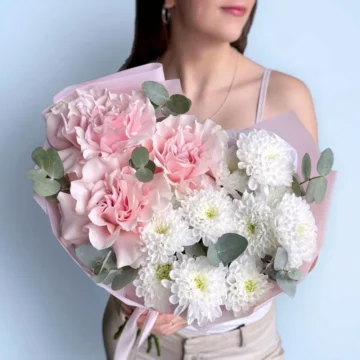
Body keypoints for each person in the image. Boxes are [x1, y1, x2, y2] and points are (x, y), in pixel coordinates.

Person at [103, 0, 318, 359]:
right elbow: (96, 224)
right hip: (137, 343)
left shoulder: (285, 98)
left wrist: (194, 300)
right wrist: (130, 296)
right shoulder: (117, 101)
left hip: (241, 347)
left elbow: (303, 244)